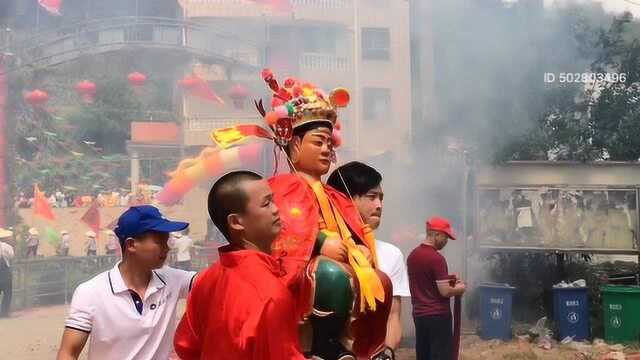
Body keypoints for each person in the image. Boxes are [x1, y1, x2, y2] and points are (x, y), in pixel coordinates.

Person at [252, 71, 391, 359]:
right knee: (328, 274)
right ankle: (324, 347)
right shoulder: (281, 186)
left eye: (329, 143)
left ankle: (365, 347)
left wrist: (360, 248)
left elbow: (353, 229)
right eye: (318, 142)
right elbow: (280, 230)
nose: (327, 149)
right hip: (300, 267)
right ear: (295, 144)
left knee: (381, 280)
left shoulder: (335, 195)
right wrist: (318, 242)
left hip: (341, 260)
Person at [174, 171, 305, 360]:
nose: (276, 209)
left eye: (273, 201)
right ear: (236, 222)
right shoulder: (270, 294)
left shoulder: (205, 279)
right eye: (266, 203)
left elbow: (185, 345)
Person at [56, 205, 196, 360]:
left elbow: (214, 280)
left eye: (167, 240)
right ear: (131, 245)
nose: (167, 248)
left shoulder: (173, 280)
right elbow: (68, 353)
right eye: (159, 241)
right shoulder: (90, 292)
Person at [328, 161, 410, 357]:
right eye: (371, 197)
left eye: (381, 198)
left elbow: (393, 317)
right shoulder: (324, 251)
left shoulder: (391, 254)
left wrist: (387, 353)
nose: (379, 205)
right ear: (343, 200)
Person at [407, 217, 466, 360]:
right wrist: (461, 288)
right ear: (436, 234)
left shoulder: (413, 255)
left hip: (419, 315)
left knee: (424, 354)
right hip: (438, 316)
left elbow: (425, 280)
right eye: (445, 237)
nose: (446, 241)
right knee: (441, 355)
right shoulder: (436, 258)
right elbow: (444, 291)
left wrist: (448, 278)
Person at [0, 228, 15, 317]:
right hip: (4, 273)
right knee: (7, 293)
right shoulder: (6, 246)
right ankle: (4, 312)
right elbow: (11, 256)